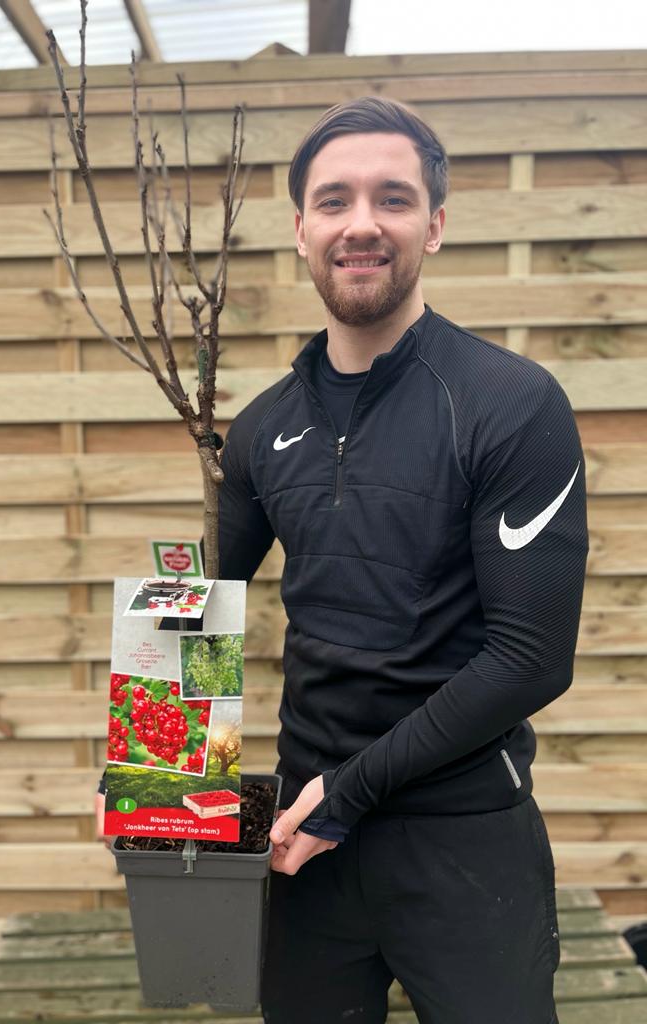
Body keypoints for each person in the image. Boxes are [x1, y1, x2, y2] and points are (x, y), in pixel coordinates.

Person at [215, 97, 588, 1024]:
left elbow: (530, 658)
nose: (363, 223)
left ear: (436, 224)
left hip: (464, 841)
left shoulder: (511, 404)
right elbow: (198, 613)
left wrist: (353, 791)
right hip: (304, 843)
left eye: (394, 198)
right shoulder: (261, 428)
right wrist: (166, 782)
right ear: (301, 229)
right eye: (334, 200)